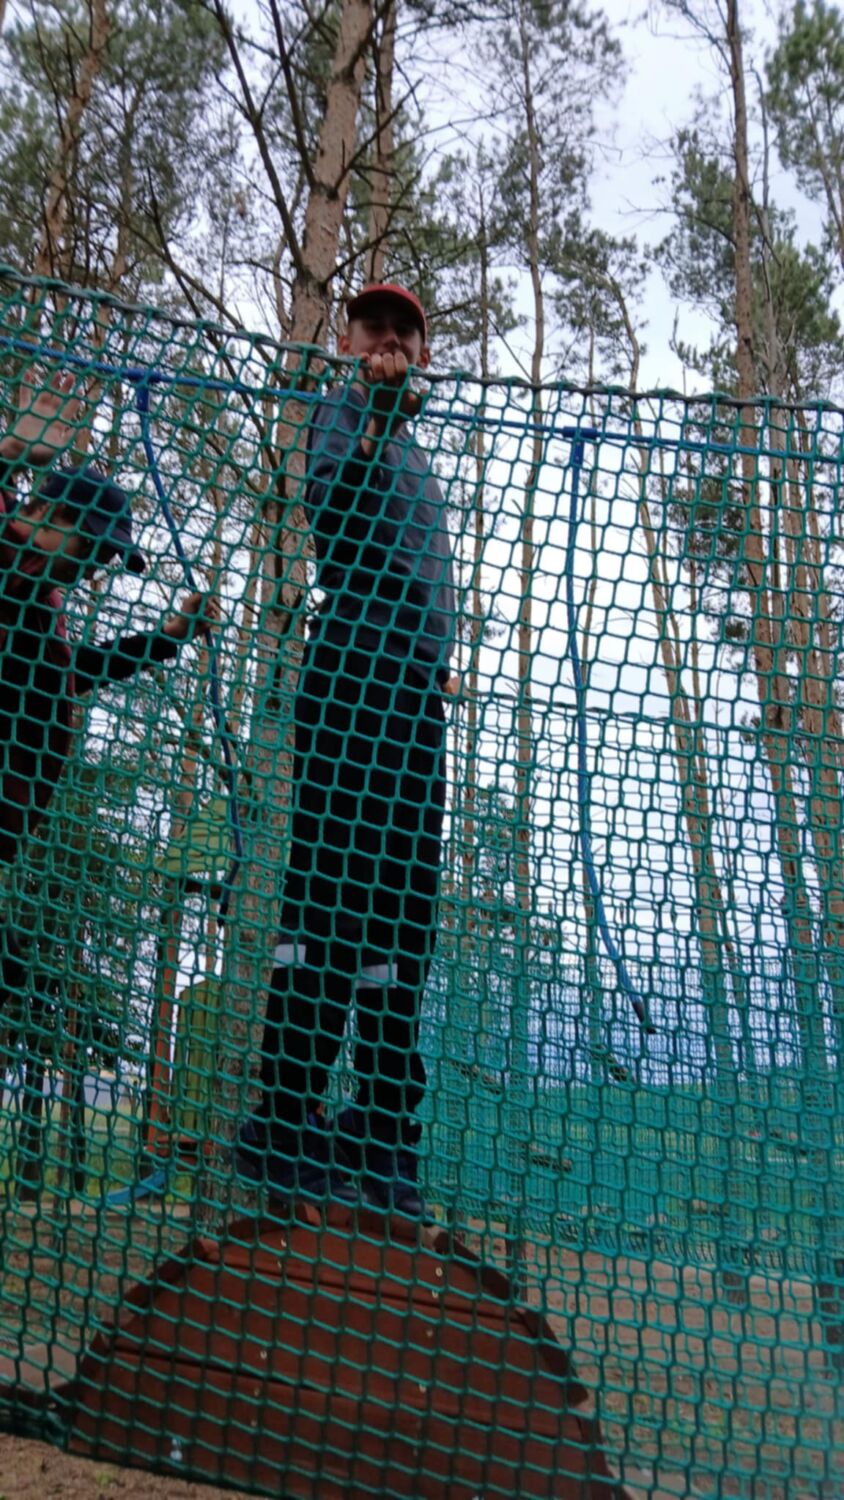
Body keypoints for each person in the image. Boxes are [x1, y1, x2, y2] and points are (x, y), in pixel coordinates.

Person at [238, 282, 456, 1218]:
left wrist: (437, 667)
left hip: (413, 693)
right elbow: (332, 523)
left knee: (402, 914)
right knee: (329, 894)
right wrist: (372, 418)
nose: (390, 340)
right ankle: (284, 1122)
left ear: (424, 350)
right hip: (355, 668)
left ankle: (380, 1131)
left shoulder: (417, 451)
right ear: (348, 338)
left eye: (406, 330)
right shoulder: (345, 411)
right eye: (375, 327)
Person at [0, 370, 216, 1001]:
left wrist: (165, 639)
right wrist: (12, 453)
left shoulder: (41, 596)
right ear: (45, 512)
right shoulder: (14, 558)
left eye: (105, 558)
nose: (95, 566)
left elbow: (79, 670)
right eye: (91, 546)